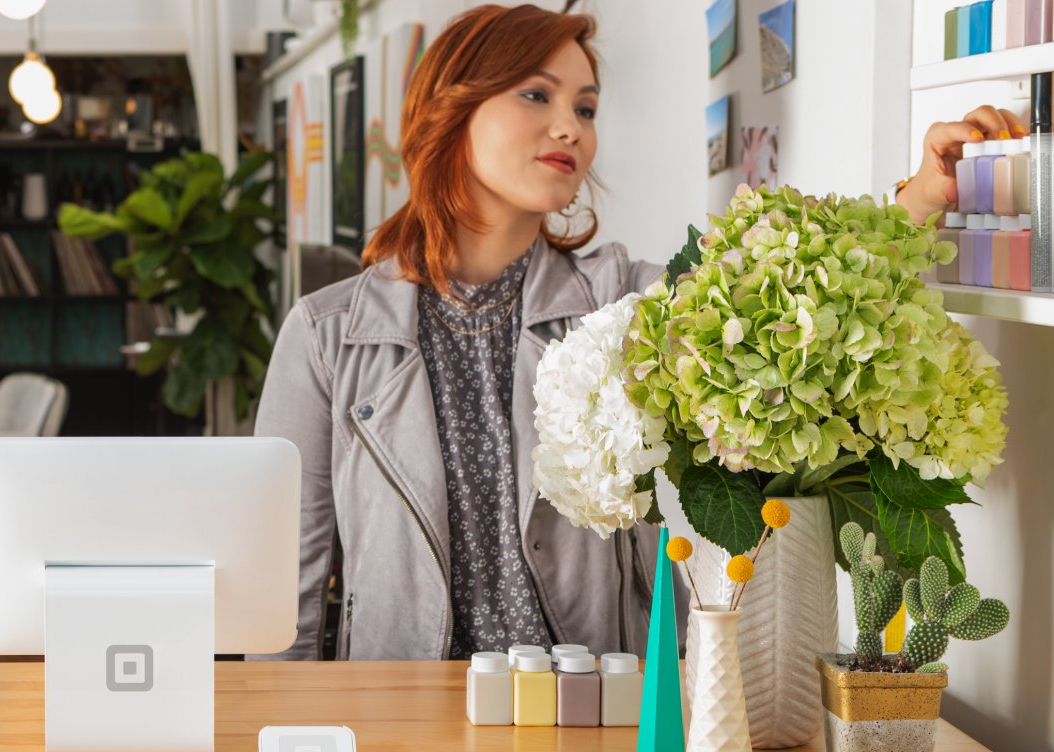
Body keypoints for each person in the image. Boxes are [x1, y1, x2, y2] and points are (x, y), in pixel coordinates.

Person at [254, 3, 1010, 661]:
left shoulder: (625, 301)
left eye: (585, 107)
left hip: (598, 710)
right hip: (401, 721)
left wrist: (914, 202)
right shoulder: (326, 336)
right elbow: (281, 579)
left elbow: (780, 303)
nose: (569, 127)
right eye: (536, 94)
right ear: (451, 108)